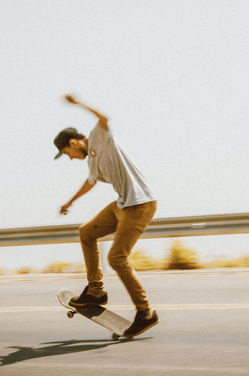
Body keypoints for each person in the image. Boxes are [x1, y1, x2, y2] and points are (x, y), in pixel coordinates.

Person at [54, 93, 159, 337]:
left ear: (73, 143)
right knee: (86, 232)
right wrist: (70, 201)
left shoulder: (98, 137)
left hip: (140, 204)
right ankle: (96, 291)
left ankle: (146, 313)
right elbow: (90, 182)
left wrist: (77, 102)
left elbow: (104, 117)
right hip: (123, 205)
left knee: (117, 259)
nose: (69, 158)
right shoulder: (91, 162)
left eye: (67, 153)